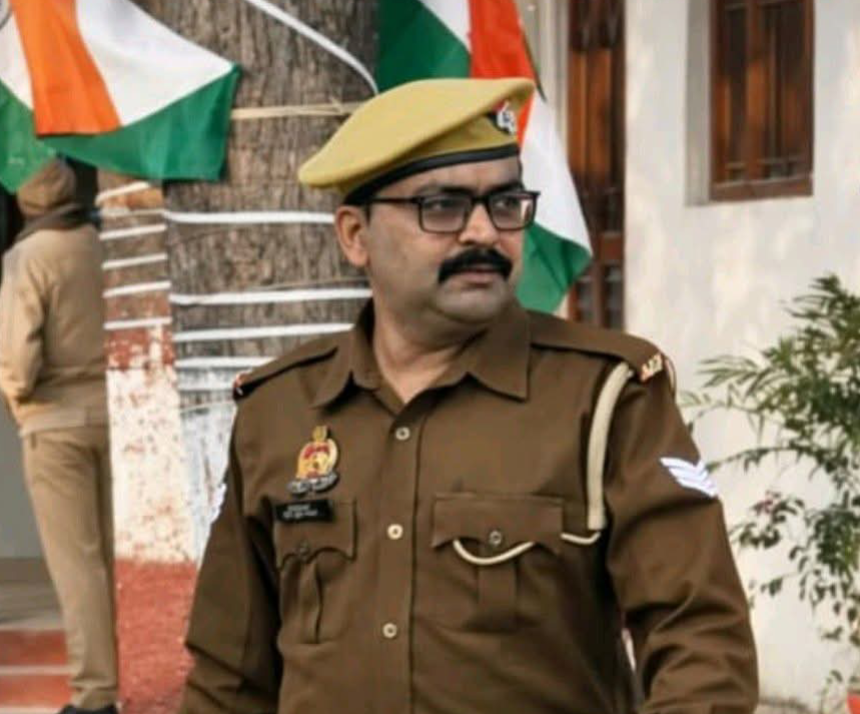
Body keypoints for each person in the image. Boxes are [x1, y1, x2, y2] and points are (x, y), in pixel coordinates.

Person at [179, 77, 758, 714]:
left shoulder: (604, 398)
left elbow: (701, 645)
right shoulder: (280, 411)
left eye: (505, 203)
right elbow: (229, 677)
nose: (483, 232)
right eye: (443, 206)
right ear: (355, 235)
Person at [0, 159, 118, 714]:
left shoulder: (28, 257)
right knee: (111, 560)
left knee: (77, 567)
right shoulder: (100, 244)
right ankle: (124, 675)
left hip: (53, 423)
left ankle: (95, 693)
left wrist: (18, 402)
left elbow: (19, 360)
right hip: (110, 414)